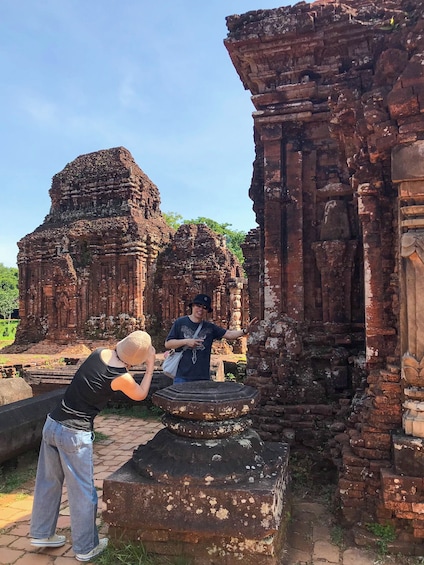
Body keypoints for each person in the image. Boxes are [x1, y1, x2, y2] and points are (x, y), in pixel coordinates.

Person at [29, 330, 156, 562]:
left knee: (48, 481)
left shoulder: (99, 353)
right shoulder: (121, 378)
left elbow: (118, 363)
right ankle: (86, 547)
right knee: (83, 491)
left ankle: (41, 533)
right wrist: (150, 366)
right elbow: (140, 394)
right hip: (74, 434)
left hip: (53, 423)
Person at [164, 293, 258, 383]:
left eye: (204, 307)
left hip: (202, 377)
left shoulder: (210, 327)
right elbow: (168, 344)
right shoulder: (180, 323)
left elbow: (228, 334)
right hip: (182, 376)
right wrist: (186, 342)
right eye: (198, 306)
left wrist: (244, 331)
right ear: (192, 306)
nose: (200, 309)